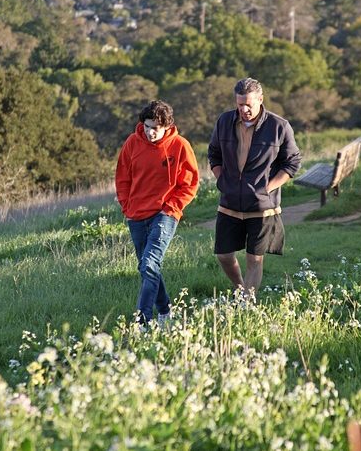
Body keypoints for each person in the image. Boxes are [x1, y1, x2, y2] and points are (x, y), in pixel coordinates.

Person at [208, 77, 301, 299]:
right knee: (223, 254)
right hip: (229, 204)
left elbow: (293, 162)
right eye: (240, 104)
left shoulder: (280, 126)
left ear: (260, 99)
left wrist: (268, 188)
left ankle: (247, 304)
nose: (244, 109)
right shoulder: (224, 121)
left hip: (262, 207)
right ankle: (240, 290)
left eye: (249, 104)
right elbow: (214, 154)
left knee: (254, 259)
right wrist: (222, 181)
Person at [115, 100, 199, 327]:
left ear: (167, 126)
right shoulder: (132, 143)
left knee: (149, 264)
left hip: (165, 213)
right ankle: (165, 312)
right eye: (147, 126)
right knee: (147, 266)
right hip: (136, 215)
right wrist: (127, 206)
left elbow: (190, 184)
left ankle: (142, 321)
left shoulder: (180, 146)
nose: (151, 132)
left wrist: (172, 208)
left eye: (156, 128)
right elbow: (122, 177)